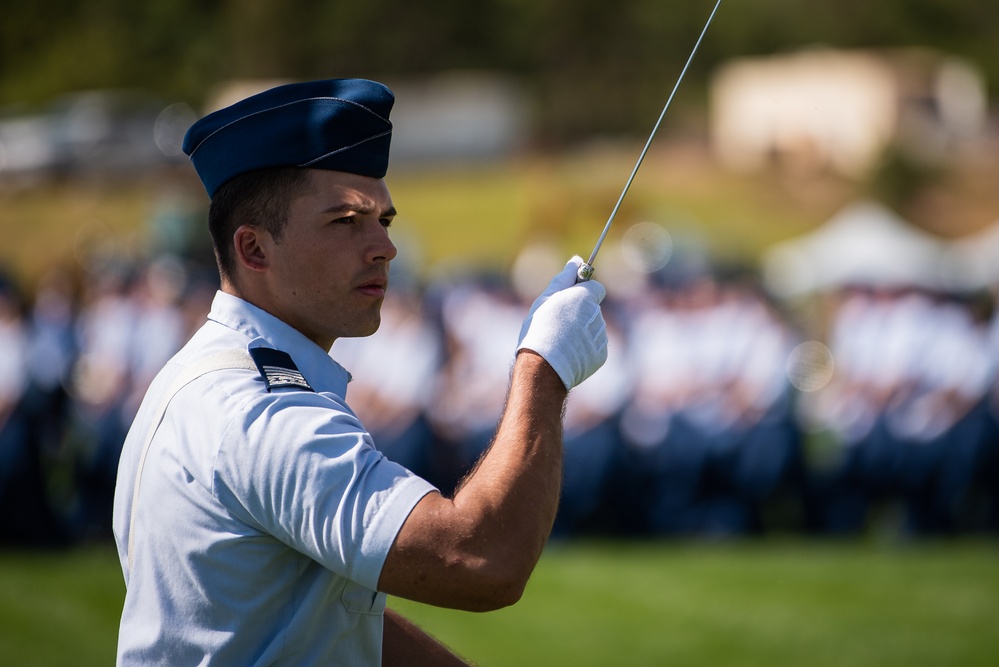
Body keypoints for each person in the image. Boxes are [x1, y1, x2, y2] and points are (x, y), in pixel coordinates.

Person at [111, 78, 608, 665]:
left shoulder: (218, 373)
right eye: (346, 221)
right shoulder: (261, 411)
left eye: (384, 221)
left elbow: (319, 612)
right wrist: (542, 367)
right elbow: (480, 562)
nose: (384, 248)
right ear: (254, 251)